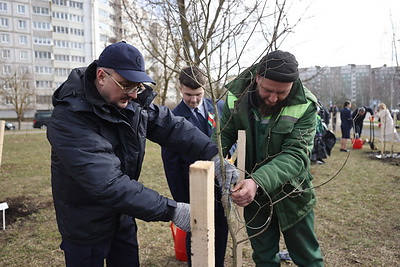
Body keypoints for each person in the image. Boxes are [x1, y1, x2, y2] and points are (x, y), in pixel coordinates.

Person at [46, 41, 237, 267]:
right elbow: (108, 183)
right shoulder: (69, 118)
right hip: (85, 224)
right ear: (101, 76)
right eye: (127, 85)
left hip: (122, 215)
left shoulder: (130, 103)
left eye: (138, 86)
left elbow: (171, 126)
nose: (134, 94)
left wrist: (213, 154)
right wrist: (172, 210)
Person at [216, 50, 324, 266]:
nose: (273, 98)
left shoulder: (306, 105)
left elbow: (296, 155)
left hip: (292, 192)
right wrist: (214, 160)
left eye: (282, 93)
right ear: (257, 77)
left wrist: (257, 181)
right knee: (264, 257)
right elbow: (223, 136)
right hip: (253, 197)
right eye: (267, 90)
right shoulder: (234, 97)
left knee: (307, 257)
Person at [161, 66, 228, 267]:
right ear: (180, 88)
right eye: (189, 94)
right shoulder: (173, 119)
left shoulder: (219, 108)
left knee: (221, 228)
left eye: (198, 94)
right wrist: (181, 200)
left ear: (204, 88)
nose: (194, 99)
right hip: (192, 189)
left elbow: (229, 139)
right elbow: (171, 164)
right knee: (197, 232)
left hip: (220, 185)